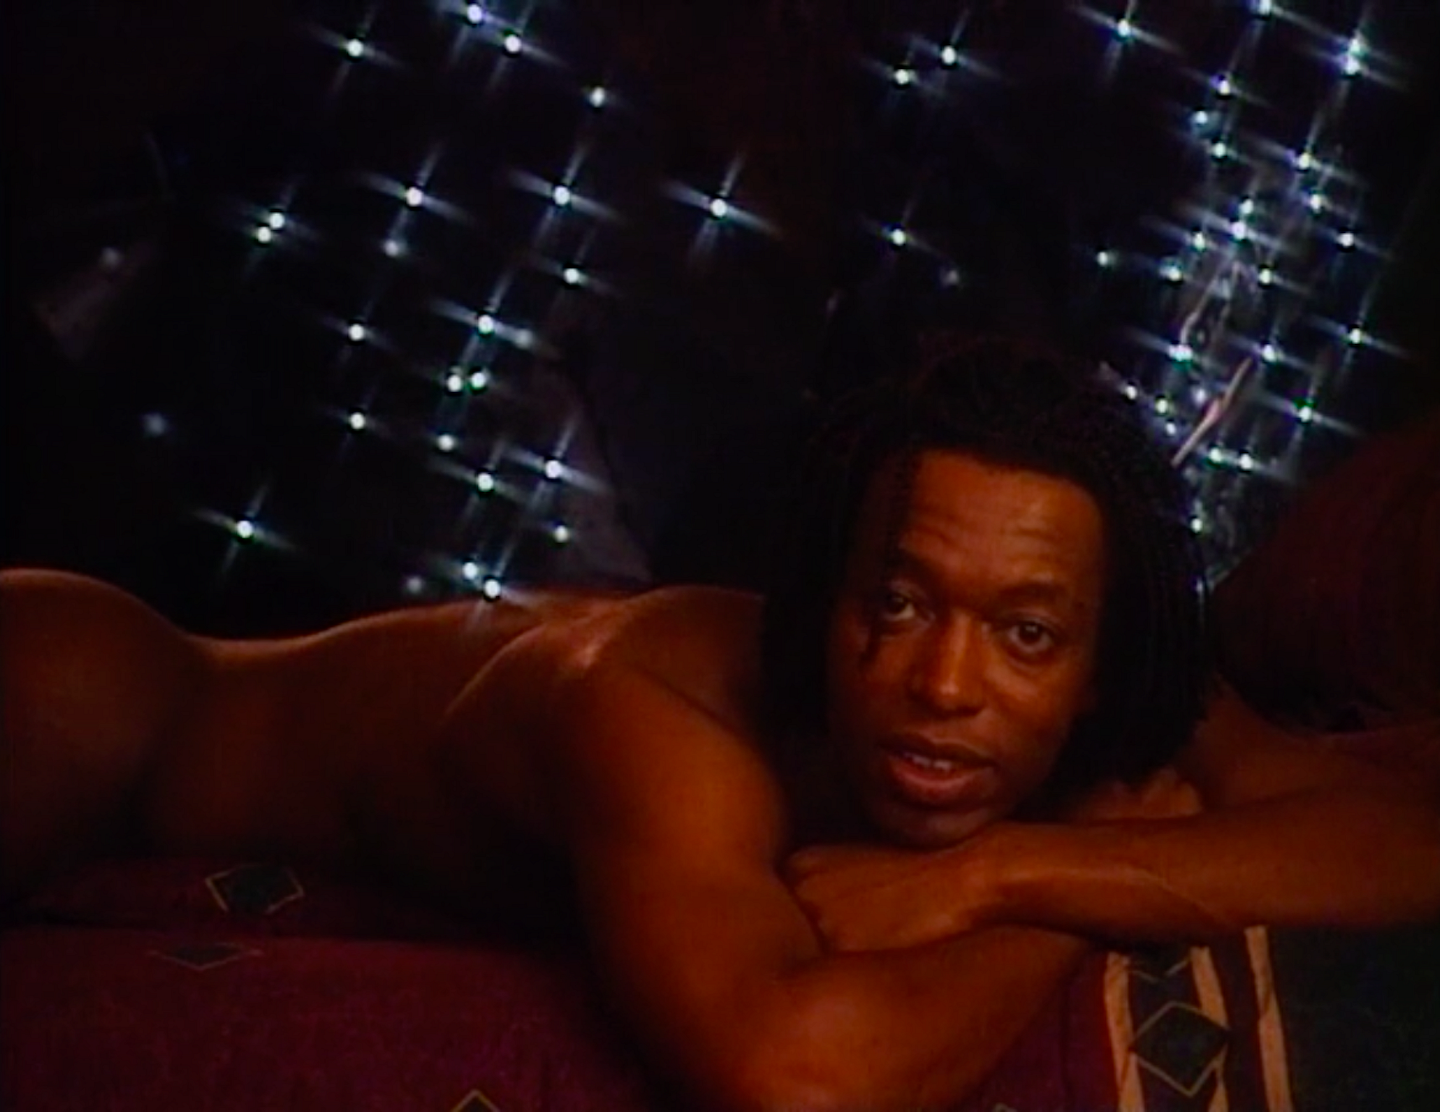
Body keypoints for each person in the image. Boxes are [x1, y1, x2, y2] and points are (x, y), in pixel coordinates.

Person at [3, 337, 1437, 1112]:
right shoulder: (655, 707)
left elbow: (1405, 836)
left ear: (1100, 661)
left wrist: (1017, 870)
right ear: (828, 594)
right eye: (897, 603)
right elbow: (796, 1078)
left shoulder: (1115, 686)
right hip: (89, 701)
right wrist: (1069, 894)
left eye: (1024, 635)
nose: (946, 682)